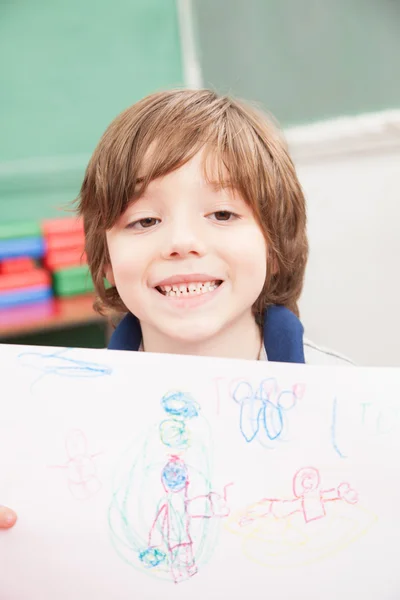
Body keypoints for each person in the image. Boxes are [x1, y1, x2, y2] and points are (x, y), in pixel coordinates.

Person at [1, 88, 351, 529]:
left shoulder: (356, 410)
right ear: (106, 259)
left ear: (273, 246)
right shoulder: (43, 425)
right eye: (145, 221)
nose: (182, 242)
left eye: (222, 214)